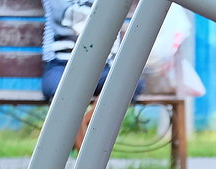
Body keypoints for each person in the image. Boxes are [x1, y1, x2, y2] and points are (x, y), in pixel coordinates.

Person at [41, 0, 142, 151]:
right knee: (57, 90)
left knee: (129, 82)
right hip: (61, 65)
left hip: (102, 66)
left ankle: (79, 125)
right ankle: (85, 156)